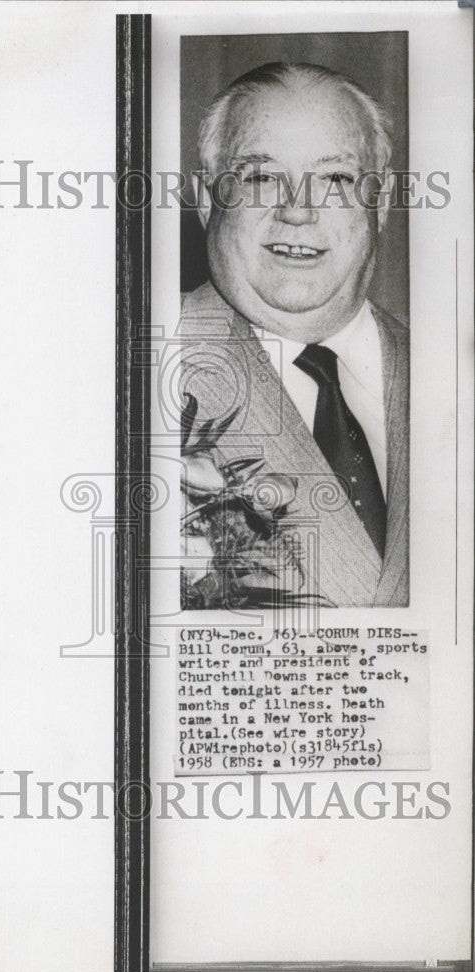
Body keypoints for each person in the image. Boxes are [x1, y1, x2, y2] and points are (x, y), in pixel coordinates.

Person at [180, 62, 409, 608]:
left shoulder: (451, 370)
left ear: (380, 204)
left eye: (336, 179)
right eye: (260, 178)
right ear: (208, 201)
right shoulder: (123, 373)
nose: (298, 212)